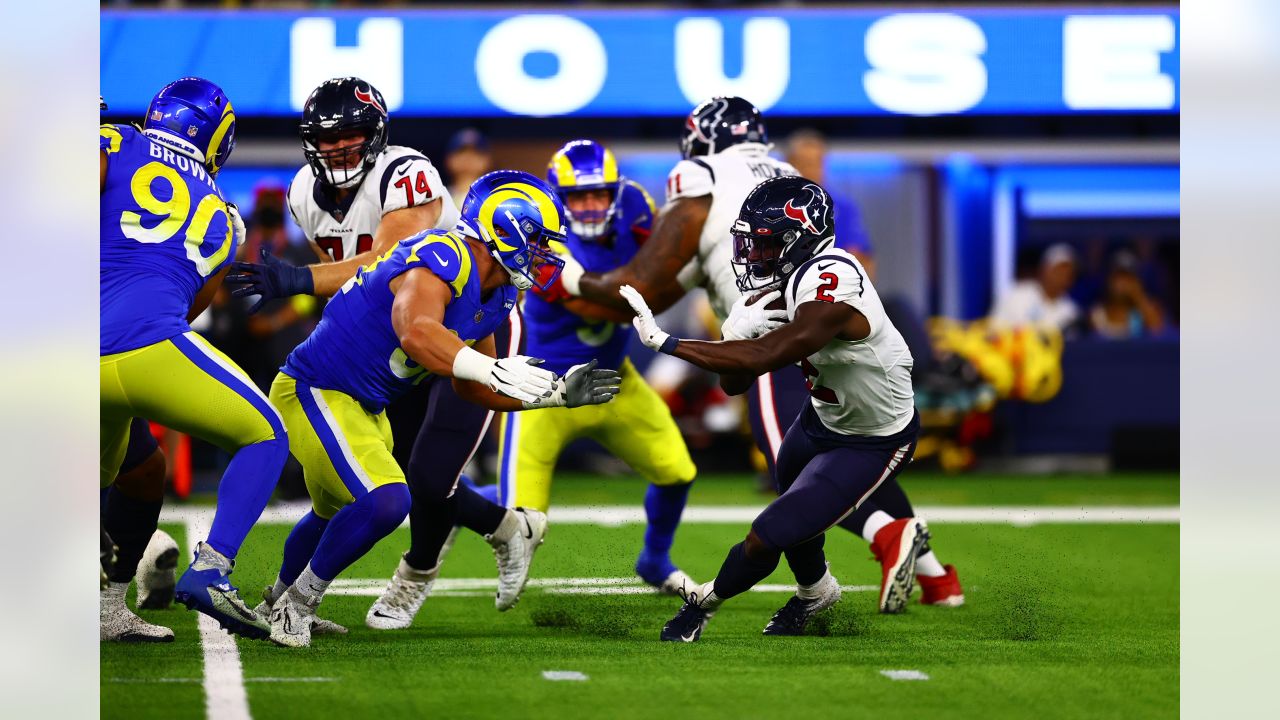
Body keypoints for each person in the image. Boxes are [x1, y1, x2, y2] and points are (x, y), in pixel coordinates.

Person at [548, 97, 962, 613]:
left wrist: (563, 272)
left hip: (770, 334)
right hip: (820, 335)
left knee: (796, 475)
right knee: (854, 453)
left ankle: (875, 543)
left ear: (700, 140)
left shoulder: (700, 176)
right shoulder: (784, 174)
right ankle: (937, 578)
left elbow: (644, 284)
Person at [261, 171, 621, 648]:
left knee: (335, 510)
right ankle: (298, 604)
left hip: (364, 404)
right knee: (388, 500)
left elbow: (472, 387)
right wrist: (486, 368)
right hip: (315, 387)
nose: (545, 255)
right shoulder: (444, 255)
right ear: (505, 230)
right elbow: (414, 329)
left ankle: (276, 600)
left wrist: (552, 393)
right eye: (538, 242)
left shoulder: (499, 291)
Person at [224, 78, 534, 632]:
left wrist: (298, 277)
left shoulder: (404, 171)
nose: (340, 148)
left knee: (426, 474)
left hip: (462, 324)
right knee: (394, 481)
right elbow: (355, 292)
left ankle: (414, 578)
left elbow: (386, 258)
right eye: (328, 138)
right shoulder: (302, 192)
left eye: (352, 136)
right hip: (399, 343)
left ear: (377, 135)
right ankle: (507, 525)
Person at [619, 177, 928, 640]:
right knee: (792, 511)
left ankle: (703, 606)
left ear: (799, 239)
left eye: (764, 244)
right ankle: (816, 593)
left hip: (874, 437)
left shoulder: (833, 277)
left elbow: (769, 357)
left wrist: (669, 342)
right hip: (822, 419)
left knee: (769, 533)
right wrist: (736, 333)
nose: (752, 256)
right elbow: (734, 384)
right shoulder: (775, 286)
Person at [101, 77, 286, 640]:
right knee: (265, 436)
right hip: (150, 343)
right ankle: (213, 569)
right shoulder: (228, 218)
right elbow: (195, 303)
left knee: (130, 473)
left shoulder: (114, 140)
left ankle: (104, 608)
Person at [500, 139, 696, 594]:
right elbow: (600, 304)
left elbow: (664, 264)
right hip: (545, 389)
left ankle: (655, 559)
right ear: (557, 199)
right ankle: (458, 502)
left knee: (677, 473)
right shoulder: (535, 231)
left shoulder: (635, 205)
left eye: (599, 194)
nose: (590, 205)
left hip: (613, 380)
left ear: (615, 190)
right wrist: (653, 295)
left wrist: (663, 281)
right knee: (523, 521)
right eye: (579, 197)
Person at [990, 243, 1081, 332]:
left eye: (1067, 273)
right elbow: (994, 329)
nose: (1061, 277)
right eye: (1057, 271)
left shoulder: (1071, 311)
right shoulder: (1018, 294)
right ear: (1044, 269)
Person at [1090, 250, 1167, 338]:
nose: (1121, 284)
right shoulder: (1097, 313)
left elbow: (1157, 329)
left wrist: (1138, 295)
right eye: (1117, 277)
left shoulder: (1140, 313)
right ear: (1109, 280)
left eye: (1127, 278)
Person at [444, 128, 493, 201]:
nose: (468, 157)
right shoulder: (439, 198)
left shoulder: (496, 199)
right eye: (461, 152)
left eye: (476, 153)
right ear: (449, 159)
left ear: (487, 160)